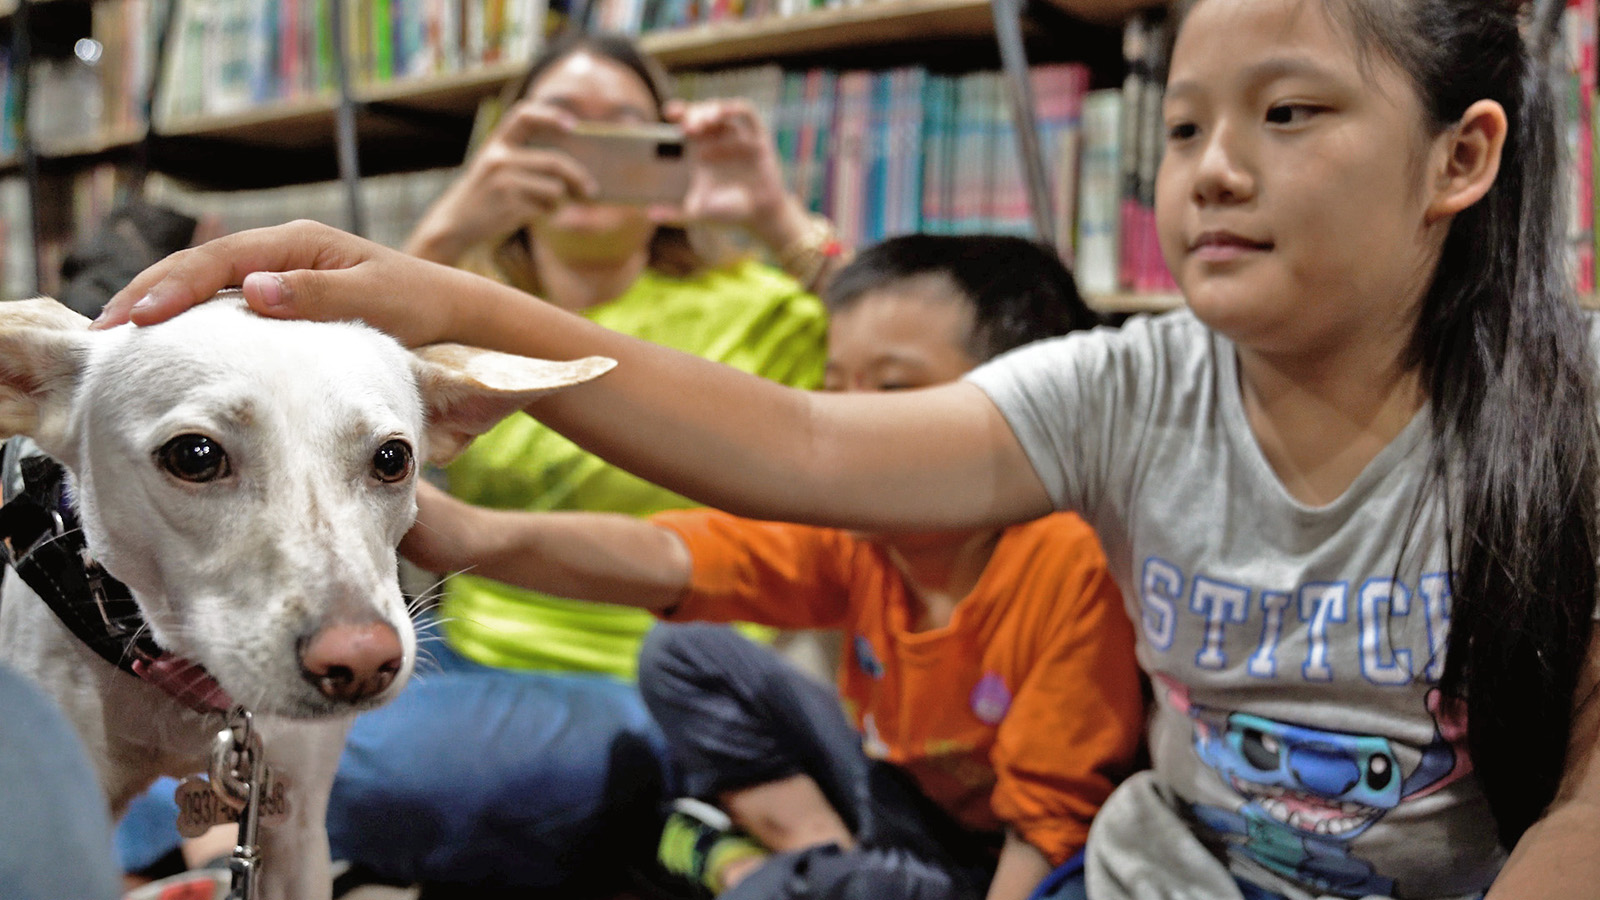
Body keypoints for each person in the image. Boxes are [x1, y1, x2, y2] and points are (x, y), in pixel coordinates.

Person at [98, 0, 1600, 896]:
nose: (1212, 170)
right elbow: (806, 450)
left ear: (1463, 156)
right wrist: (446, 295)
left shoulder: (1564, 419)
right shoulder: (1135, 384)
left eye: (1287, 113)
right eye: (1188, 123)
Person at [115, 30, 836, 893]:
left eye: (623, 130)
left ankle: (160, 832)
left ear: (671, 157)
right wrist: (459, 218)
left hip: (641, 677)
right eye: (553, 130)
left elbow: (925, 369)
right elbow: (319, 388)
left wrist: (777, 216)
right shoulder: (462, 316)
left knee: (278, 751)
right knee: (221, 707)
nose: (585, 158)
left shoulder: (759, 308)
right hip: (452, 660)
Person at [399, 233, 1145, 900]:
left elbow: (1048, 829)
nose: (853, 417)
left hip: (1009, 859)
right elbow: (677, 558)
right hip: (897, 804)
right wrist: (474, 535)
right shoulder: (870, 534)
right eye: (835, 384)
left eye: (892, 389)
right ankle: (814, 867)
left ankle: (761, 872)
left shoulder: (1068, 560)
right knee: (686, 653)